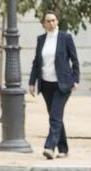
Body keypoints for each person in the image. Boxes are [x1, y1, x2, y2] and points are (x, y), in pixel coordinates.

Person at [28, 11, 80, 160]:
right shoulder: (41, 39)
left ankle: (49, 147)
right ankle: (63, 148)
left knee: (55, 116)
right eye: (48, 21)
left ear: (57, 21)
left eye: (53, 20)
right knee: (55, 116)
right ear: (44, 24)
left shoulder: (65, 38)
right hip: (46, 84)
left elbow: (75, 60)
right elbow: (36, 63)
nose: (51, 23)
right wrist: (32, 82)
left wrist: (75, 79)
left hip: (63, 84)